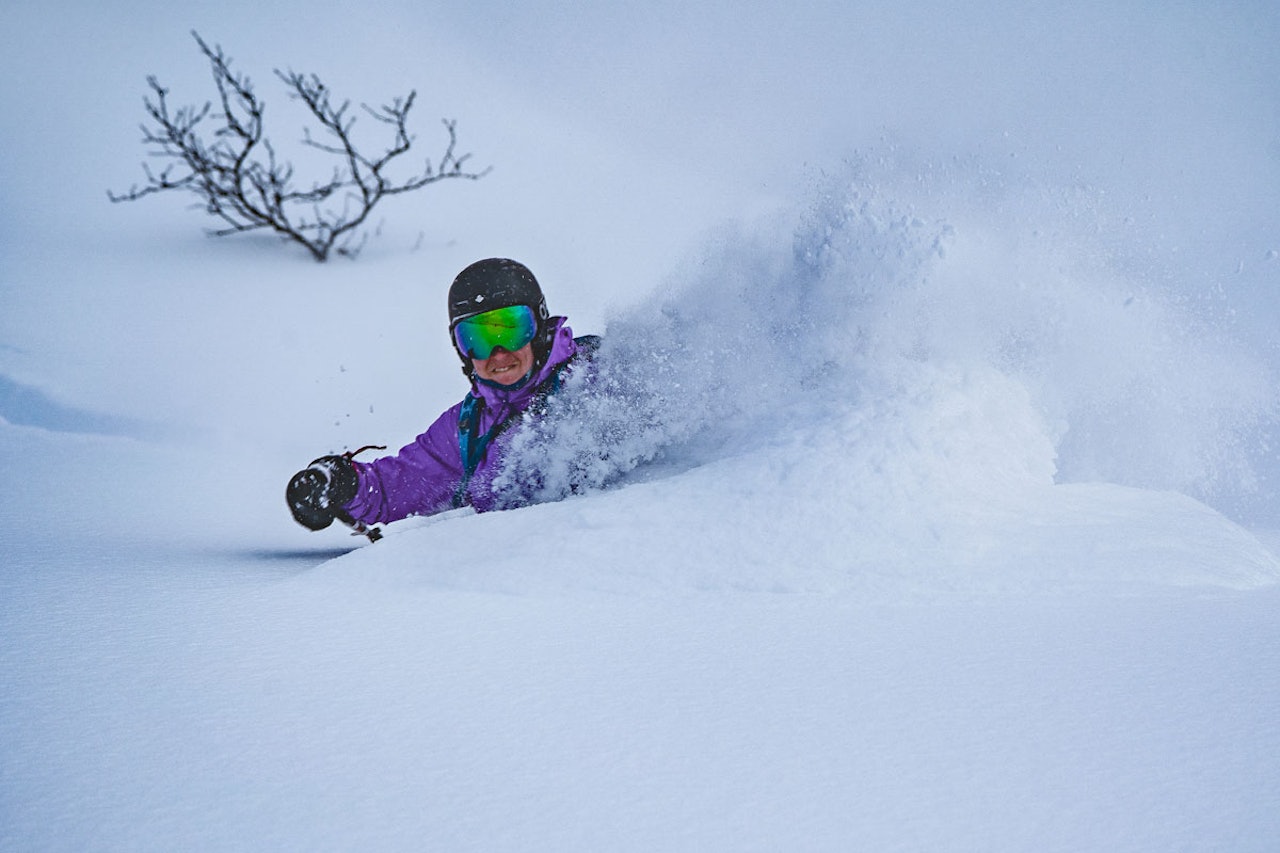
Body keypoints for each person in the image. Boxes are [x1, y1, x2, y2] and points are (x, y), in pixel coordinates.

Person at [287, 258, 598, 537]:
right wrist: (344, 484)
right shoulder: (469, 427)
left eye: (511, 330)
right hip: (508, 585)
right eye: (477, 339)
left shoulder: (597, 376)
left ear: (540, 328)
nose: (498, 353)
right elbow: (398, 486)